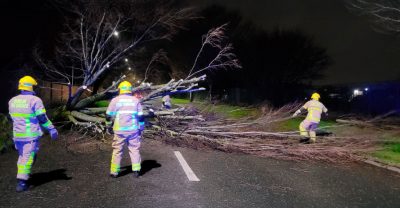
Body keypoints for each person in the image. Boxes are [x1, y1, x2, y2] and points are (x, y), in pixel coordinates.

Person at [8, 76, 58, 192]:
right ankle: (22, 182)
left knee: (22, 157)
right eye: (34, 86)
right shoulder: (35, 100)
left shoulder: (12, 101)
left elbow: (12, 118)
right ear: (30, 87)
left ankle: (22, 176)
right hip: (30, 136)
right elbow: (42, 118)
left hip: (17, 136)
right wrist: (51, 129)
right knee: (29, 157)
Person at [106, 81, 145, 178]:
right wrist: (141, 127)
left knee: (117, 150)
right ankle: (136, 170)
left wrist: (108, 126)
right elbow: (141, 117)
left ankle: (114, 172)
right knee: (134, 149)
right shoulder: (136, 100)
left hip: (119, 130)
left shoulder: (115, 100)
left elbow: (108, 115)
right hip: (133, 130)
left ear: (120, 89)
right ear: (130, 90)